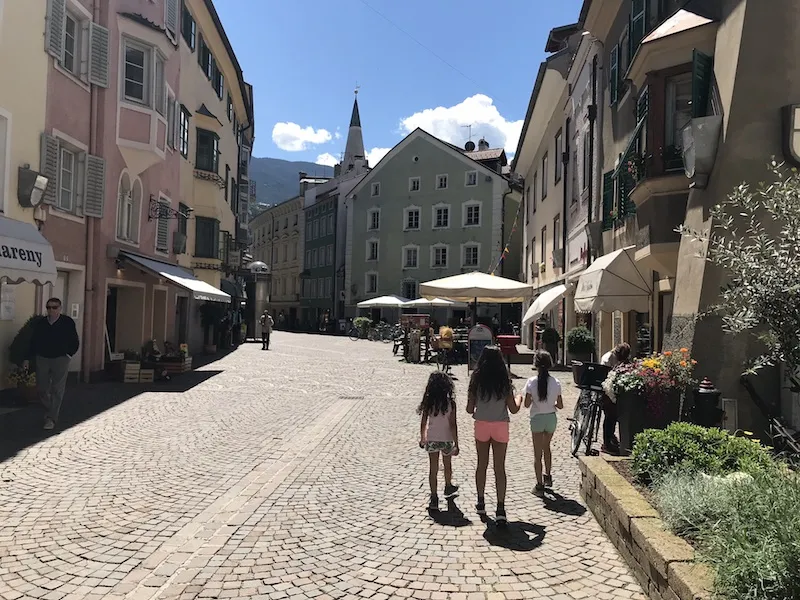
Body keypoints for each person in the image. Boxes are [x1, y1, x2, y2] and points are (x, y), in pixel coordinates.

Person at [466, 346, 522, 524]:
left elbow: (469, 409)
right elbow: (513, 409)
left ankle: (481, 502)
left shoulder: (476, 380)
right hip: (500, 425)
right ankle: (500, 508)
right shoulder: (504, 381)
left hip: (482, 424)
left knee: (481, 465)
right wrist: (519, 398)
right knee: (499, 468)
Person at [23, 298, 79, 430]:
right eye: (48, 307)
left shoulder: (67, 322)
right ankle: (51, 409)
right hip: (42, 358)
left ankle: (51, 418)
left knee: (57, 389)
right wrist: (27, 358)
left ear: (60, 308)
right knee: (42, 388)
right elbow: (33, 341)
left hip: (61, 358)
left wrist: (69, 354)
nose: (51, 310)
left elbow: (74, 340)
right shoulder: (41, 323)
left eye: (54, 307)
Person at [522, 350, 564, 496]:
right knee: (547, 447)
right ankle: (548, 475)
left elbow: (526, 404)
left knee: (537, 453)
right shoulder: (556, 382)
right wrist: (551, 403)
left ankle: (539, 485)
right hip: (551, 418)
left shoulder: (531, 382)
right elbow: (560, 405)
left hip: (537, 418)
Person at [417, 371, 460, 511]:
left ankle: (434, 496)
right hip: (446, 438)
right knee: (447, 465)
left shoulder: (429, 403)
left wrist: (423, 438)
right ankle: (448, 485)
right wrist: (456, 443)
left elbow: (423, 422)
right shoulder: (450, 404)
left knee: (433, 468)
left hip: (432, 438)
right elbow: (453, 425)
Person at [600, 343, 631, 453]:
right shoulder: (608, 358)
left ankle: (611, 438)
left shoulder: (621, 359)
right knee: (610, 417)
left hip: (614, 392)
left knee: (613, 417)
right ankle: (606, 443)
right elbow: (604, 375)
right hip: (606, 391)